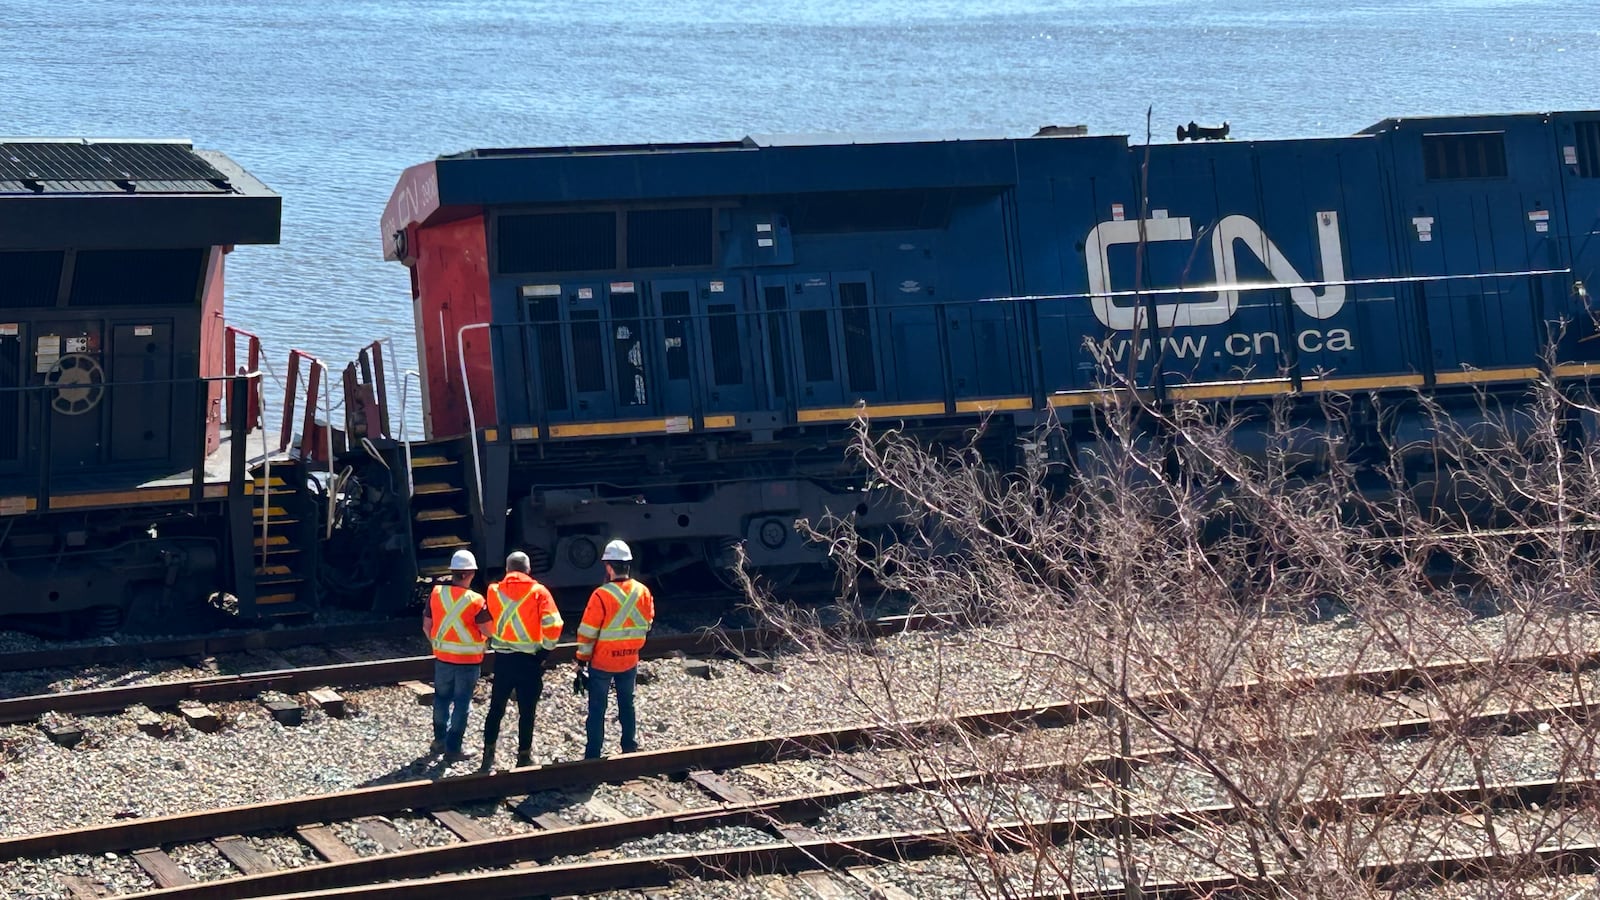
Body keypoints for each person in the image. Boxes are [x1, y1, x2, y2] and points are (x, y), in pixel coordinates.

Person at [480, 550, 562, 770]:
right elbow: (554, 625)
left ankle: (488, 754)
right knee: (527, 710)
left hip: (503, 660)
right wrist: (544, 652)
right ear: (528, 569)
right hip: (529, 661)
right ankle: (524, 755)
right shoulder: (539, 592)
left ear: (508, 569)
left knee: (496, 707)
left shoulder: (494, 591)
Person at [574, 539, 655, 759]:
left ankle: (593, 754)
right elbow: (647, 624)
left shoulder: (601, 595)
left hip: (602, 662)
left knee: (597, 709)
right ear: (628, 564)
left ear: (609, 566)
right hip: (629, 660)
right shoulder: (643, 591)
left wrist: (582, 660)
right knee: (627, 705)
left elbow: (588, 632)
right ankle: (629, 746)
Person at [422, 549, 491, 762]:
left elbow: (426, 626)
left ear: (452, 572)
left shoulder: (436, 594)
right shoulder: (476, 601)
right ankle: (453, 749)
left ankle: (439, 741)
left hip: (443, 659)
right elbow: (488, 630)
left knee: (441, 699)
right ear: (471, 574)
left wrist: (438, 644)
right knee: (462, 703)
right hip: (468, 662)